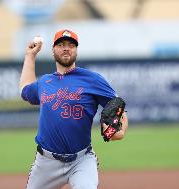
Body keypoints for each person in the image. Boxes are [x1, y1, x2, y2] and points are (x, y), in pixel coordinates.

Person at [20, 29, 128, 189]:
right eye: (61, 44)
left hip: (81, 160)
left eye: (71, 45)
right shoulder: (45, 82)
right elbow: (25, 90)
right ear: (53, 50)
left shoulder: (92, 79)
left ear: (76, 50)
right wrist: (30, 56)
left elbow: (118, 107)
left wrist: (120, 130)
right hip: (46, 163)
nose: (66, 48)